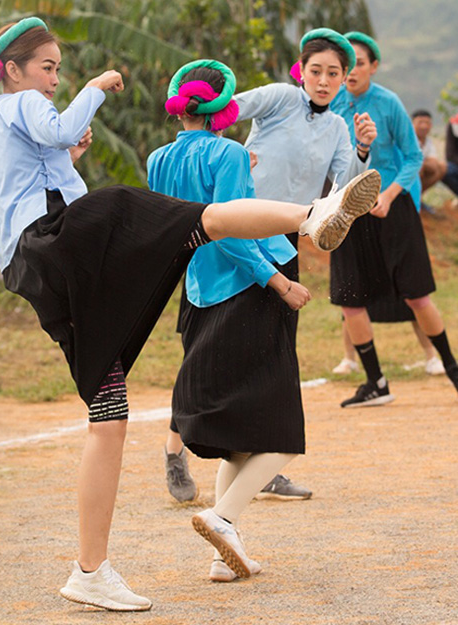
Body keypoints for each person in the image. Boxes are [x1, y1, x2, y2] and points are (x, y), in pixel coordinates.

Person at [0, 17, 379, 610]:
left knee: (108, 408)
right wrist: (97, 84)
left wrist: (68, 156)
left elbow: (56, 174)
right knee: (197, 216)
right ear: (12, 71)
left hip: (42, 266)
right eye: (48, 68)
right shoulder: (16, 106)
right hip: (51, 245)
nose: (56, 79)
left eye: (59, 70)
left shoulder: (21, 129)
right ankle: (312, 215)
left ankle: (90, 571)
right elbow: (60, 133)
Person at [164, 28, 373, 505]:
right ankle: (175, 449)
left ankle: (260, 466)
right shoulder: (280, 97)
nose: (323, 81)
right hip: (232, 228)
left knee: (271, 353)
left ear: (345, 80)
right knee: (207, 348)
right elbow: (226, 103)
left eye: (334, 74)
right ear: (303, 71)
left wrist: (361, 152)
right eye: (316, 71)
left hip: (283, 241)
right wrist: (226, 156)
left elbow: (344, 189)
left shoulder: (339, 128)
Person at [148, 59, 311, 583]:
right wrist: (280, 283)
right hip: (249, 291)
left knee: (237, 436)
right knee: (282, 433)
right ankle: (220, 517)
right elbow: (236, 231)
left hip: (198, 296)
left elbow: (177, 226)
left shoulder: (158, 159)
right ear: (226, 106)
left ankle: (223, 554)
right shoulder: (229, 151)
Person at [330, 31, 458, 405]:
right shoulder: (332, 103)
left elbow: (413, 157)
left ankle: (452, 369)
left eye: (359, 63)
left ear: (374, 66)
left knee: (417, 295)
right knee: (349, 299)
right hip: (348, 210)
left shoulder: (388, 102)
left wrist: (388, 194)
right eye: (345, 64)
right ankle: (376, 383)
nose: (351, 70)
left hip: (394, 205)